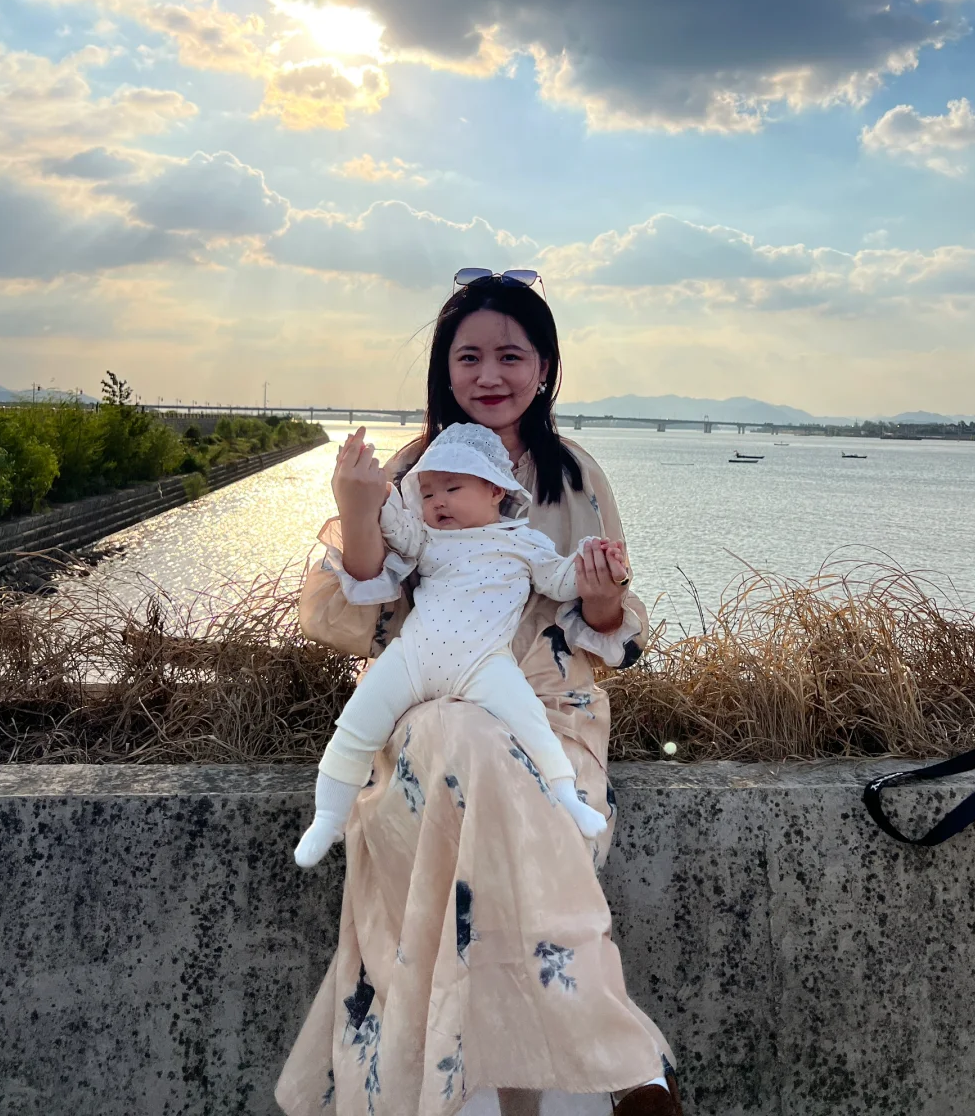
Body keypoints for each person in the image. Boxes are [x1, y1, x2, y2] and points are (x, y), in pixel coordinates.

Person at [276, 271, 683, 1116]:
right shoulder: (412, 472)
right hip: (425, 719)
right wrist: (358, 514)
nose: (489, 375)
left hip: (547, 714)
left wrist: (602, 598)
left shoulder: (575, 476)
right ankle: (617, 1058)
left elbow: (612, 626)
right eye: (469, 357)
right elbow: (355, 624)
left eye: (511, 355)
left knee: (498, 765)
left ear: (545, 366)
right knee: (462, 740)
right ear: (444, 368)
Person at [294, 421, 626, 864]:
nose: (438, 502)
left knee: (533, 729)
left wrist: (594, 563)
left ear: (495, 491)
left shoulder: (525, 543)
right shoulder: (427, 538)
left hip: (484, 664)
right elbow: (396, 526)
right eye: (428, 493)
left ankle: (568, 798)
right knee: (354, 728)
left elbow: (561, 580)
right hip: (412, 659)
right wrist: (375, 494)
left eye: (452, 488)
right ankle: (328, 817)